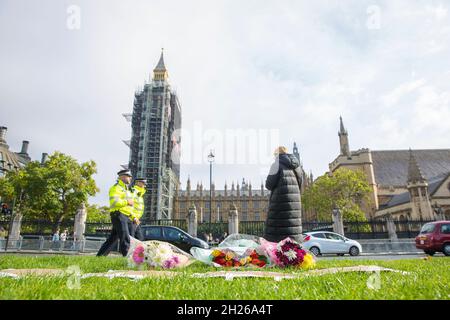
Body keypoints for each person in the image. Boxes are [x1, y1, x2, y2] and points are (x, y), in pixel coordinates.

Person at [263, 146, 303, 243]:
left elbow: (269, 185)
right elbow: (300, 184)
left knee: (278, 234)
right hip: (295, 204)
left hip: (280, 203)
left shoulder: (276, 165)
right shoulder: (298, 167)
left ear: (277, 154)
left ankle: (277, 256)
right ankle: (293, 256)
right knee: (292, 233)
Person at [97, 169, 135, 257]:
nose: (130, 178)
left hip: (125, 216)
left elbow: (128, 208)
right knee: (125, 237)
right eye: (129, 176)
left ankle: (100, 256)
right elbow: (114, 202)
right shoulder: (116, 188)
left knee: (112, 239)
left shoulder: (125, 189)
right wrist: (127, 202)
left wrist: (132, 216)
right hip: (118, 215)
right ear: (123, 177)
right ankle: (129, 259)